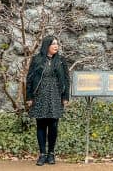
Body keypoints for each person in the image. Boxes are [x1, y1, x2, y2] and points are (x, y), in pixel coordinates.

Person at [26, 35, 70, 166]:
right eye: (53, 44)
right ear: (47, 46)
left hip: (55, 95)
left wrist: (65, 96)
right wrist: (29, 97)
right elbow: (29, 79)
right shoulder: (37, 59)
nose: (56, 46)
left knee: (53, 125)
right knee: (41, 124)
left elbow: (67, 80)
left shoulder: (61, 60)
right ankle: (42, 154)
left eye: (57, 44)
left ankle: (51, 153)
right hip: (40, 95)